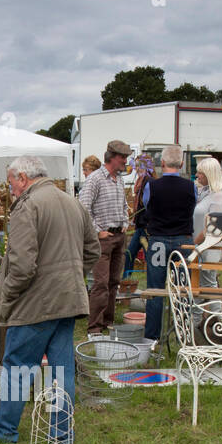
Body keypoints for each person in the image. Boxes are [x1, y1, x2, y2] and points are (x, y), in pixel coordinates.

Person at [0, 155, 99, 444]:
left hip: (35, 303)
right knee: (61, 370)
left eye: (11, 184)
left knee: (18, 367)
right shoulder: (72, 202)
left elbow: (21, 265)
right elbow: (93, 250)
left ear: (23, 177)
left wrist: (7, 295)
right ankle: (61, 434)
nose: (11, 190)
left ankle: (4, 432)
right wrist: (69, 275)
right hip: (67, 298)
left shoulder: (28, 205)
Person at [142, 143, 196, 347]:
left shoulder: (151, 186)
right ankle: (183, 336)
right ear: (182, 163)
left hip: (158, 239)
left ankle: (151, 338)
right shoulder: (191, 186)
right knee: (183, 289)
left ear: (162, 163)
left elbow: (147, 205)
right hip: (183, 239)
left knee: (155, 290)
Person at [81, 140, 133, 334]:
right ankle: (94, 327)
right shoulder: (94, 179)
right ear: (112, 157)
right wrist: (97, 232)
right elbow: (83, 208)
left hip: (119, 235)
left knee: (113, 282)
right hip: (103, 239)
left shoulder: (118, 179)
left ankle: (107, 322)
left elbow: (123, 205)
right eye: (123, 157)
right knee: (101, 283)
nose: (125, 161)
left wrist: (125, 222)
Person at [192, 156, 222, 289]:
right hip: (198, 246)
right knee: (197, 283)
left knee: (208, 285)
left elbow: (213, 225)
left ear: (210, 174)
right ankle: (196, 310)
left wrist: (195, 241)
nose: (197, 175)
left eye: (200, 172)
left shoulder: (218, 196)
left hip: (208, 247)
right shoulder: (204, 192)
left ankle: (215, 310)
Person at [123, 152, 154, 277]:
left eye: (138, 166)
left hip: (146, 227)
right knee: (129, 253)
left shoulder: (148, 181)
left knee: (148, 256)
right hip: (140, 226)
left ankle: (153, 284)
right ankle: (126, 280)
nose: (136, 168)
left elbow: (149, 204)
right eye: (136, 165)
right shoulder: (140, 182)